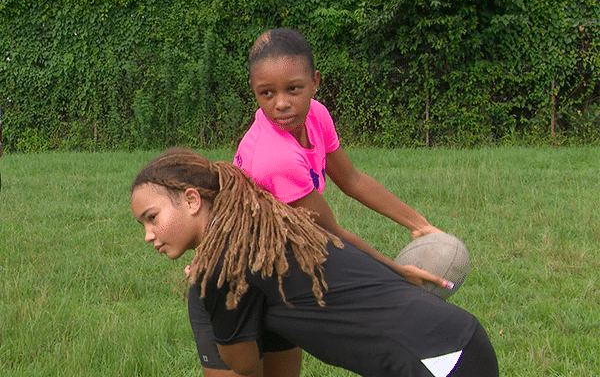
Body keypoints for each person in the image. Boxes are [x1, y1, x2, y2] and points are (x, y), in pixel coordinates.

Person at [190, 28, 455, 376]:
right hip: (230, 285)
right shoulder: (276, 158)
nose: (281, 103)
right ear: (253, 91)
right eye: (266, 93)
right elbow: (333, 236)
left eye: (293, 89)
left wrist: (419, 224)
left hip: (277, 278)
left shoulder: (316, 116)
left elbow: (353, 180)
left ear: (315, 82)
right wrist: (397, 271)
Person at [131, 148, 499, 377]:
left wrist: (210, 304)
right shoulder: (269, 221)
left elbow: (242, 366)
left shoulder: (226, 267)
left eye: (152, 217)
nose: (148, 234)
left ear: (193, 200)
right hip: (460, 337)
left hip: (440, 361)